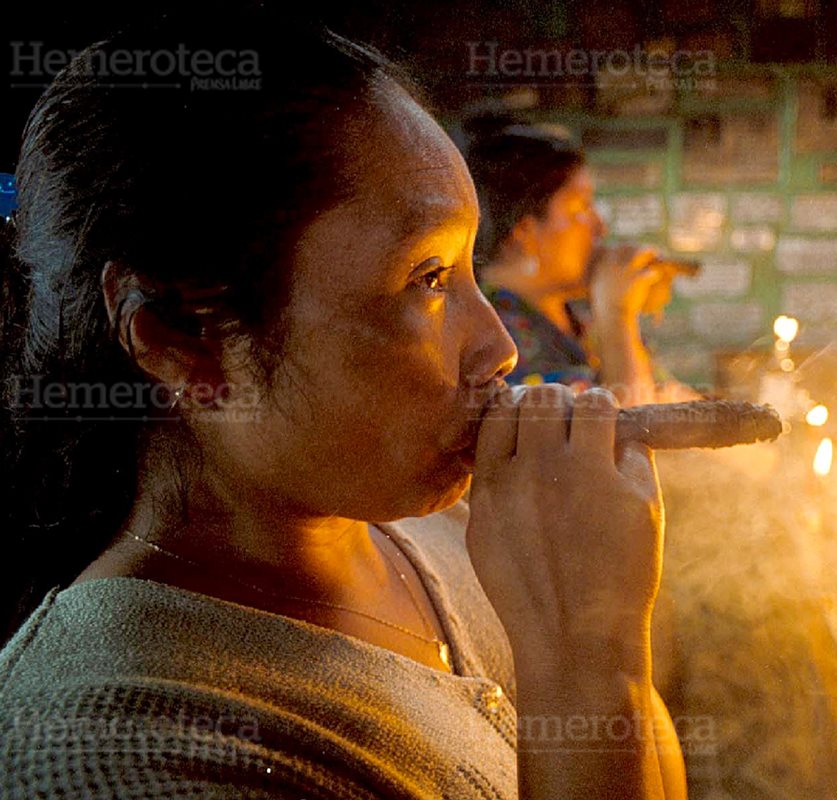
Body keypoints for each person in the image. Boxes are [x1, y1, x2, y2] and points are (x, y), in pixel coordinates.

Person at [0, 8, 685, 799]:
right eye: (428, 277)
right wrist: (581, 651)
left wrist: (604, 642)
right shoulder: (99, 753)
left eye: (469, 269)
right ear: (179, 337)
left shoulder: (451, 533)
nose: (501, 348)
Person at [462, 118, 697, 407]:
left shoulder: (579, 316)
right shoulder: (493, 339)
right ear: (525, 232)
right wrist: (617, 314)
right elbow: (623, 431)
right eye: (582, 207)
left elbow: (671, 401)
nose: (600, 227)